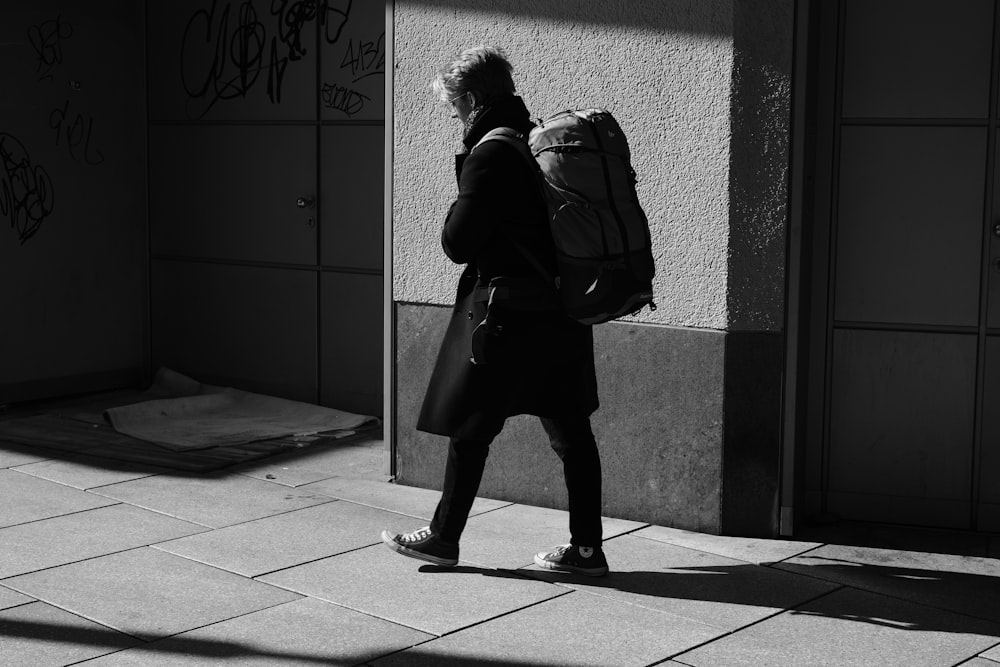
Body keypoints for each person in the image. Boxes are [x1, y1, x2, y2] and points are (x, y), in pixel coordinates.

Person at [381, 46, 607, 577]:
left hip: (506, 315)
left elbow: (458, 243)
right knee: (572, 434)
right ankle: (587, 551)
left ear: (475, 99)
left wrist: (462, 189)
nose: (455, 117)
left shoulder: (491, 154)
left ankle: (443, 538)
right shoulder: (538, 142)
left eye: (455, 107)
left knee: (472, 427)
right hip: (560, 310)